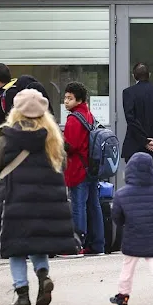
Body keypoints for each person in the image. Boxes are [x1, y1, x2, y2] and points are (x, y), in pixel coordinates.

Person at [0, 89, 79, 305]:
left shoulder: (8, 136)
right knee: (38, 241)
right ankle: (42, 274)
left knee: (16, 248)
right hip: (47, 201)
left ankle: (22, 296)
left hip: (15, 200)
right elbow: (64, 165)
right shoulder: (53, 136)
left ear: (16, 111)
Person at [109, 152, 153, 305]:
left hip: (132, 236)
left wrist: (125, 225)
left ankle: (123, 296)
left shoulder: (122, 194)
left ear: (129, 171)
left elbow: (116, 216)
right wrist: (152, 222)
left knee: (128, 268)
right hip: (152, 236)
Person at [63, 82, 104, 255]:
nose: (66, 101)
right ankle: (98, 245)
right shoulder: (89, 115)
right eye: (65, 98)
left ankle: (77, 244)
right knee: (94, 206)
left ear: (78, 99)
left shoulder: (73, 119)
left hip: (78, 168)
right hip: (91, 168)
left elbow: (70, 146)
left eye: (69, 98)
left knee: (79, 206)